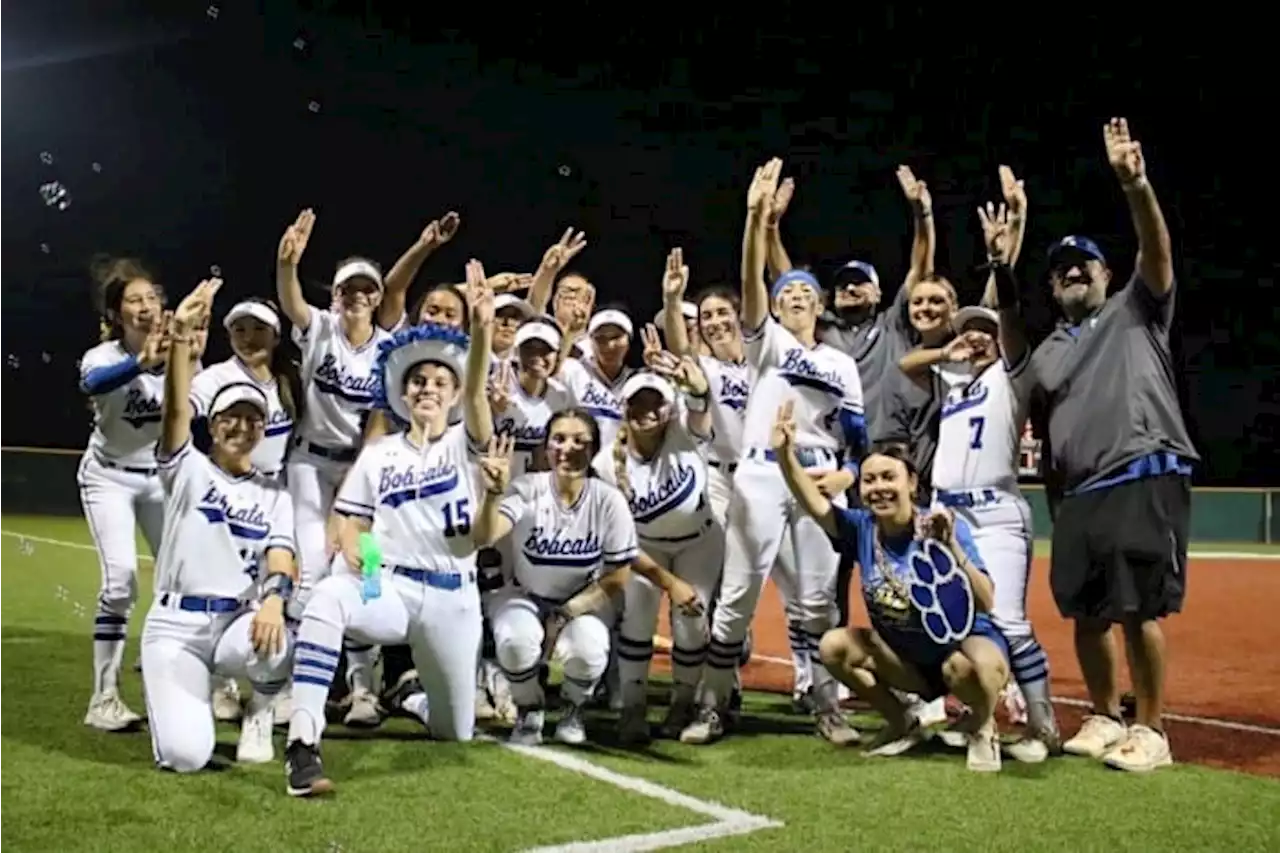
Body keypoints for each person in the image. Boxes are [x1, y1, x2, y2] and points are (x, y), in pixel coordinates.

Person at [282, 261, 498, 797]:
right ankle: (302, 743)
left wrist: (485, 331)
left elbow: (477, 396)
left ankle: (412, 699)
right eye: (417, 381)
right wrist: (369, 573)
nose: (428, 388)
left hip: (454, 599)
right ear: (402, 394)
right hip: (395, 590)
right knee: (330, 595)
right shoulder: (378, 454)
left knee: (456, 733)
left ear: (453, 393)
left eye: (439, 382)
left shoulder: (463, 443)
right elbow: (352, 521)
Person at [1029, 119, 1194, 773]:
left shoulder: (1137, 309)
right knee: (1086, 611)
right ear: (1051, 287)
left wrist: (1136, 186)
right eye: (1061, 270)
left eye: (1084, 264)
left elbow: (1158, 252)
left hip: (1139, 470)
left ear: (1107, 272)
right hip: (1078, 493)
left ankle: (1151, 727)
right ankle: (1103, 712)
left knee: (1138, 606)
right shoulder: (1044, 353)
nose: (1072, 273)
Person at [684, 159, 865, 747]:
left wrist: (850, 473)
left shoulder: (841, 363)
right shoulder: (768, 342)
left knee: (817, 603)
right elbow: (752, 280)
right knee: (737, 596)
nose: (792, 301)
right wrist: (754, 218)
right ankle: (713, 704)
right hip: (761, 474)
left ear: (818, 306)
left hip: (814, 477)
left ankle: (826, 704)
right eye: (785, 294)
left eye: (803, 295)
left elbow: (856, 436)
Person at [899, 228, 1061, 763]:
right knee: (958, 619)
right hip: (947, 511)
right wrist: (950, 347)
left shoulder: (1011, 377)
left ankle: (1042, 724)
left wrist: (1000, 264)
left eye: (982, 333)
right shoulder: (954, 378)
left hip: (995, 509)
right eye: (968, 332)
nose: (975, 339)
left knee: (1008, 619)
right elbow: (907, 365)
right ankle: (978, 712)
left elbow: (1009, 320)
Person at [779, 423, 1010, 771]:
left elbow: (987, 601)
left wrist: (951, 546)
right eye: (870, 480)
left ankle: (982, 725)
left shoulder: (942, 525)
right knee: (833, 646)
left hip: (957, 649)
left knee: (972, 666)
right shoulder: (862, 529)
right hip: (906, 661)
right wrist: (784, 454)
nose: (879, 488)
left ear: (912, 483)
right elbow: (813, 502)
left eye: (889, 477)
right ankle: (902, 721)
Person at [142, 277, 297, 771]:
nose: (242, 427)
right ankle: (178, 705)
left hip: (233, 621)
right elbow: (174, 412)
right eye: (231, 417)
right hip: (175, 625)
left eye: (253, 420)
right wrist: (183, 339)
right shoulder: (187, 468)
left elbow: (281, 556)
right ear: (212, 423)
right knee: (187, 756)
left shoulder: (273, 491)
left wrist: (273, 599)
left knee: (278, 642)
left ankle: (259, 709)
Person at [274, 208, 393, 728]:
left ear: (378, 296)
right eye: (349, 289)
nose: (358, 297)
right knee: (314, 567)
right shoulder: (320, 327)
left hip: (360, 472)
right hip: (307, 464)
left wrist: (350, 502)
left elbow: (379, 424)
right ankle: (289, 684)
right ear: (337, 295)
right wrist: (288, 265)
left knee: (363, 565)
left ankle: (365, 690)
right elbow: (292, 303)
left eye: (368, 289)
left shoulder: (389, 350)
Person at [473, 407, 638, 747]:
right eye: (559, 439)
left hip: (582, 600)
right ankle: (529, 707)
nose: (567, 448)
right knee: (516, 642)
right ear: (545, 447)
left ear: (593, 449)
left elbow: (618, 576)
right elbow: (485, 535)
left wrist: (565, 614)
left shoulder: (608, 500)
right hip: (524, 593)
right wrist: (492, 494)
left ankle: (573, 709)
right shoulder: (526, 489)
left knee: (590, 649)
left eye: (580, 441)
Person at [77, 255, 182, 731]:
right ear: (117, 314)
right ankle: (104, 698)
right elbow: (93, 383)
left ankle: (186, 676)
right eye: (133, 300)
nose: (146, 305)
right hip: (108, 476)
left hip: (159, 479)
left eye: (151, 296)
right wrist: (141, 362)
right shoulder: (104, 358)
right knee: (120, 582)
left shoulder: (179, 353)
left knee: (181, 581)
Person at [189, 296, 301, 724]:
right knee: (220, 585)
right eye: (239, 329)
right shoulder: (218, 376)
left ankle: (270, 683)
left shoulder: (287, 380)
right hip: (222, 491)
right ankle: (221, 682)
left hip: (272, 491)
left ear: (275, 335)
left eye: (258, 330)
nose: (249, 338)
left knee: (276, 587)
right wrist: (185, 357)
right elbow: (185, 410)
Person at [598, 365, 720, 744]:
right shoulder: (606, 463)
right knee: (637, 621)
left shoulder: (684, 434)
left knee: (690, 624)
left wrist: (695, 380)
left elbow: (701, 402)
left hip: (700, 541)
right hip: (644, 550)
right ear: (625, 407)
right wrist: (669, 582)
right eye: (639, 403)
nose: (648, 411)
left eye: (656, 402)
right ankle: (633, 708)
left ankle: (682, 703)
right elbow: (621, 541)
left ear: (668, 408)